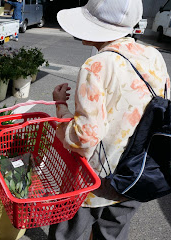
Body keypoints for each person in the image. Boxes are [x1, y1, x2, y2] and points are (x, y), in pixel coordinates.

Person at [50, 0, 170, 239]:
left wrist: (60, 108)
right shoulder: (154, 56)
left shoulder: (96, 66)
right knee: (112, 235)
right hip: (134, 176)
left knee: (66, 234)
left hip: (91, 182)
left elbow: (84, 138)